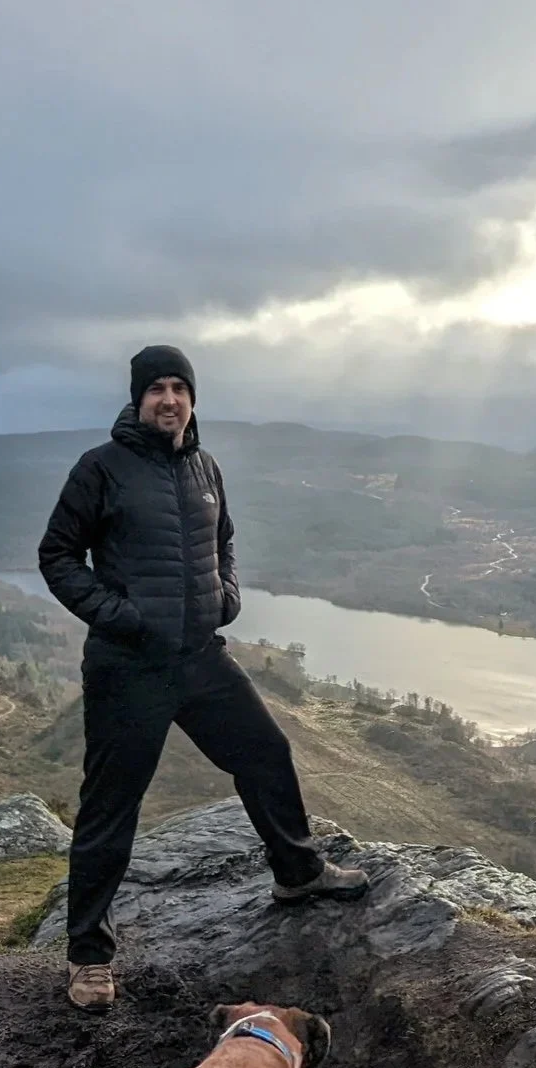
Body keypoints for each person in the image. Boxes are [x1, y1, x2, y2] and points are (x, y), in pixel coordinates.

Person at [38, 344, 370, 1012]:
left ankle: (298, 873)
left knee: (265, 752)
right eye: (155, 388)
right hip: (129, 666)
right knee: (110, 808)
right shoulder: (100, 468)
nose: (168, 399)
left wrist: (226, 597)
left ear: (192, 398)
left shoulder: (204, 466)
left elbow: (224, 542)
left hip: (198, 654)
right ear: (137, 399)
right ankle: (88, 959)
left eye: (178, 388)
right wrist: (120, 617)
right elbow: (57, 555)